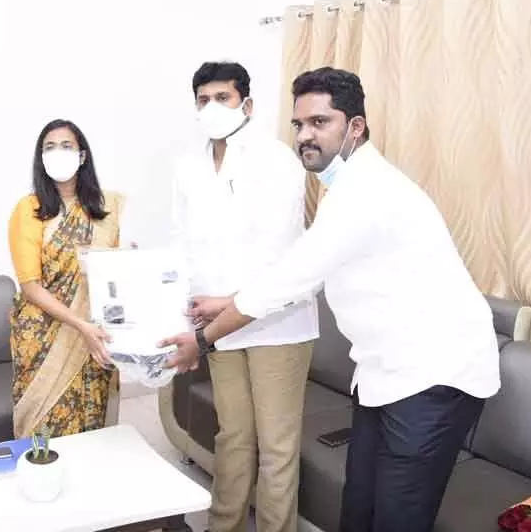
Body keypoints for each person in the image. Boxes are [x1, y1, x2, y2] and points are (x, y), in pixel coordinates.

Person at [160, 66, 501, 532]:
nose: (305, 136)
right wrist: (228, 302)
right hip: (382, 372)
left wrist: (202, 341)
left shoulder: (368, 192)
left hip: (434, 373)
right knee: (358, 505)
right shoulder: (344, 188)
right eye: (299, 124)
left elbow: (293, 276)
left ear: (354, 127)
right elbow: (301, 270)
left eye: (320, 123)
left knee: (397, 517)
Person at [171, 61, 318, 532]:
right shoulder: (188, 165)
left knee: (276, 446)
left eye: (222, 98)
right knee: (232, 434)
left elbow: (283, 252)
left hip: (276, 321)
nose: (211, 107)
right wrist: (184, 309)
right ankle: (224, 526)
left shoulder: (277, 160)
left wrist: (229, 301)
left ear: (246, 104)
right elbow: (184, 243)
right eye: (202, 99)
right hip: (218, 325)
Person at [9, 119, 125, 439]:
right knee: (45, 428)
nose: (57, 152)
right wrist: (80, 326)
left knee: (92, 429)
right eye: (49, 147)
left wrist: (130, 263)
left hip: (94, 329)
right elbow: (30, 286)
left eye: (66, 146)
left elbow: (111, 276)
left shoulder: (105, 209)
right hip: (43, 333)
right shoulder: (29, 209)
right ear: (40, 158)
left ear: (82, 156)